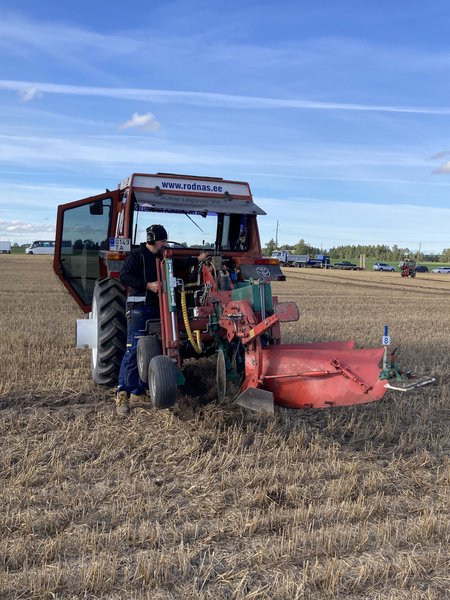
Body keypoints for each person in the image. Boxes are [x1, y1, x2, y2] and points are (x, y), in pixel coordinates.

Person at [115, 224, 210, 415]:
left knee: (152, 350)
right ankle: (122, 392)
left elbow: (178, 263)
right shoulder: (137, 256)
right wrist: (147, 285)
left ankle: (139, 391)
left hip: (158, 308)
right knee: (134, 351)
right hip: (139, 308)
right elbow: (124, 276)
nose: (164, 245)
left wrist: (197, 259)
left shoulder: (161, 257)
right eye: (162, 241)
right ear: (151, 239)